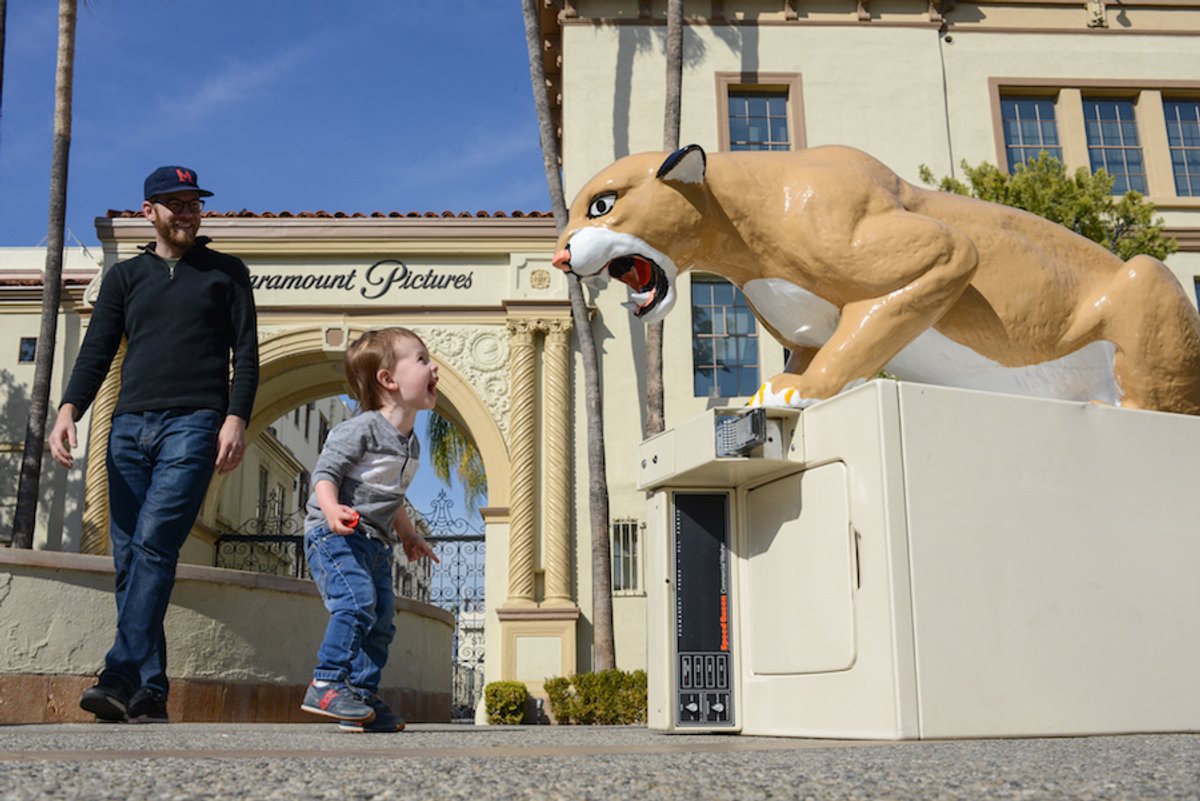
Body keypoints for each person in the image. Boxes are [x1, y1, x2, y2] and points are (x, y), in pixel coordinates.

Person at [49, 165, 259, 723]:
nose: (188, 213)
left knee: (153, 544)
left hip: (194, 424)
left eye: (194, 203)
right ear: (149, 212)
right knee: (130, 559)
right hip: (126, 429)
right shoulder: (124, 278)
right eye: (175, 204)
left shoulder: (227, 273)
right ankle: (151, 690)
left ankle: (117, 672)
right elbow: (97, 351)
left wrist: (235, 418)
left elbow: (247, 355)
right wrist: (69, 409)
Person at [299, 327, 440, 733]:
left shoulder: (411, 444)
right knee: (357, 602)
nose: (433, 367)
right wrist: (330, 509)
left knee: (381, 620)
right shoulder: (359, 429)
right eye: (421, 359)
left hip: (375, 543)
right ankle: (325, 682)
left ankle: (358, 696)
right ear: (388, 380)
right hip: (335, 535)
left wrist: (409, 536)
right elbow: (324, 474)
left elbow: (391, 497)